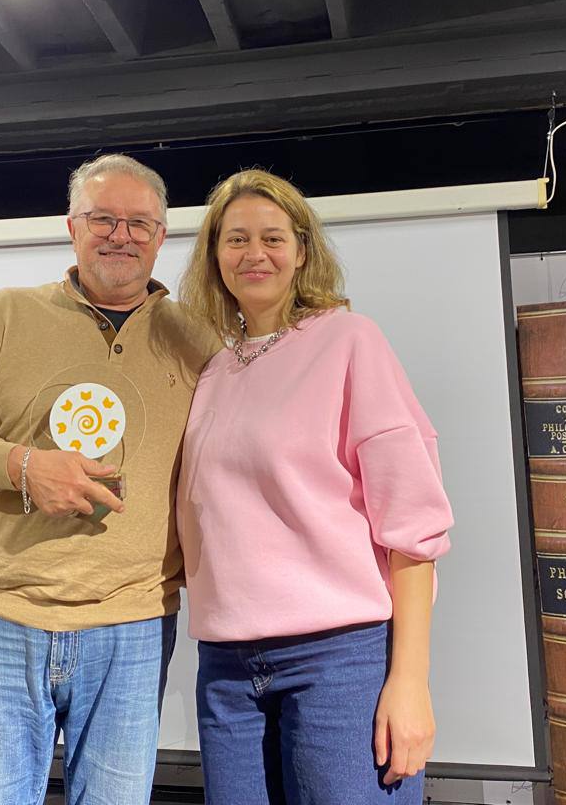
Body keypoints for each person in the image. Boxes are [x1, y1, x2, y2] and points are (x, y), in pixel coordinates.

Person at [0, 153, 218, 805]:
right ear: (71, 226)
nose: (120, 235)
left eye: (139, 223)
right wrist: (22, 466)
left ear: (161, 236)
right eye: (102, 218)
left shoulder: (198, 338)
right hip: (1, 616)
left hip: (134, 622)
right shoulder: (6, 315)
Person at [176, 169, 454, 804]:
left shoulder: (349, 341)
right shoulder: (213, 370)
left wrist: (410, 682)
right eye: (236, 238)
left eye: (272, 237)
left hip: (338, 662)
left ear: (302, 251)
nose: (254, 253)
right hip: (225, 670)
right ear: (214, 255)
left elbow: (413, 528)